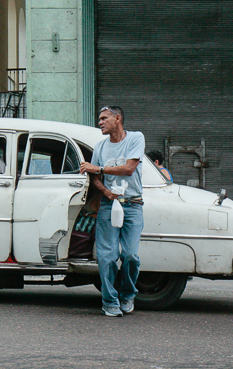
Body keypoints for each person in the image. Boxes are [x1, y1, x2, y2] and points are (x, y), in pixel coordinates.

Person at [79, 106, 145, 317]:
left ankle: (127, 294)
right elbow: (94, 179)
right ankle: (109, 301)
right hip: (109, 205)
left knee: (130, 256)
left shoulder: (135, 138)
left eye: (104, 118)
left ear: (118, 119)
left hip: (133, 204)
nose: (100, 122)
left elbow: (128, 168)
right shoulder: (100, 147)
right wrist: (106, 192)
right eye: (99, 119)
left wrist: (96, 168)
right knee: (107, 257)